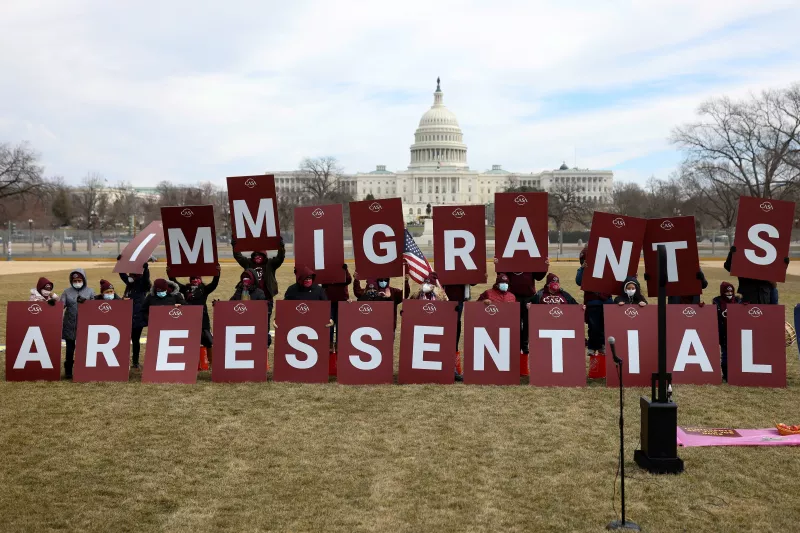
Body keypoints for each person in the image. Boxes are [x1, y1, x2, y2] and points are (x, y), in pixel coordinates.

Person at [169, 264, 220, 363]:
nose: (195, 280)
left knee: (208, 339)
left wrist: (217, 273)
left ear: (200, 280)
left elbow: (214, 283)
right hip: (190, 317)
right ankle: (193, 361)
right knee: (191, 338)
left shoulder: (204, 289)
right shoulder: (185, 289)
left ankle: (211, 360)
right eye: (193, 279)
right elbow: (174, 283)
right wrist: (170, 273)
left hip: (203, 317)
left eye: (197, 279)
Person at [59, 269, 96, 379]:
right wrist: (52, 304)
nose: (77, 282)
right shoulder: (66, 292)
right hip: (70, 325)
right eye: (75, 280)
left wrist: (86, 303)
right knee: (70, 350)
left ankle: (83, 370)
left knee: (84, 349)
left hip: (85, 325)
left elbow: (95, 307)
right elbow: (61, 305)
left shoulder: (90, 291)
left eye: (79, 280)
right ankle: (68, 371)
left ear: (84, 280)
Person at [576, 248, 613, 357]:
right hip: (593, 301)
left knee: (605, 325)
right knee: (593, 326)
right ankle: (592, 346)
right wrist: (582, 268)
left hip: (606, 300)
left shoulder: (607, 267)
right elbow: (579, 281)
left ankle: (602, 345)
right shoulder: (584, 268)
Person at [723, 245, 789, 304]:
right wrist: (732, 254)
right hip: (747, 299)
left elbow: (777, 276)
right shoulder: (744, 261)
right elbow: (728, 266)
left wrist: (783, 265)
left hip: (764, 298)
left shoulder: (768, 261)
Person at [117, 258, 151, 369]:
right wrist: (120, 262)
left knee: (135, 339)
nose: (131, 276)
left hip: (138, 318)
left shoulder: (143, 285)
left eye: (134, 274)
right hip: (126, 316)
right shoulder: (129, 283)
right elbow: (122, 275)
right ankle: (122, 360)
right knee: (124, 340)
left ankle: (135, 362)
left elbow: (146, 280)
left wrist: (146, 269)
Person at [507, 271, 548, 357]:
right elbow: (502, 273)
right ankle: (515, 345)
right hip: (513, 295)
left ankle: (525, 346)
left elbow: (538, 277)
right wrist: (498, 264)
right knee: (515, 323)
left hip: (529, 295)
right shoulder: (511, 263)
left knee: (527, 323)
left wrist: (544, 267)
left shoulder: (530, 263)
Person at [712, 282, 743, 382]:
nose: (729, 293)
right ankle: (726, 374)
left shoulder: (738, 301)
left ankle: (736, 374)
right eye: (727, 291)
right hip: (724, 333)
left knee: (737, 355)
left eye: (731, 291)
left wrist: (745, 307)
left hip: (736, 333)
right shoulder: (717, 302)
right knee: (725, 355)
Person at [320, 264, 352, 351]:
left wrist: (345, 270)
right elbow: (323, 284)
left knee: (340, 325)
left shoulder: (342, 270)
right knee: (329, 324)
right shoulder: (327, 271)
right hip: (329, 301)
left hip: (341, 301)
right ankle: (329, 344)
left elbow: (348, 280)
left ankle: (339, 344)